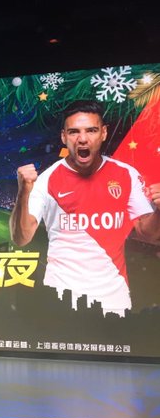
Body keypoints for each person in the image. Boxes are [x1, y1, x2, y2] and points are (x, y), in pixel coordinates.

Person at [10, 99, 160, 316]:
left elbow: (149, 233)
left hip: (114, 300)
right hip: (60, 300)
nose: (82, 139)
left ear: (103, 133)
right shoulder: (47, 180)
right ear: (64, 137)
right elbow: (21, 238)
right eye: (74, 132)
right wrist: (23, 192)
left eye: (91, 130)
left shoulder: (125, 174)